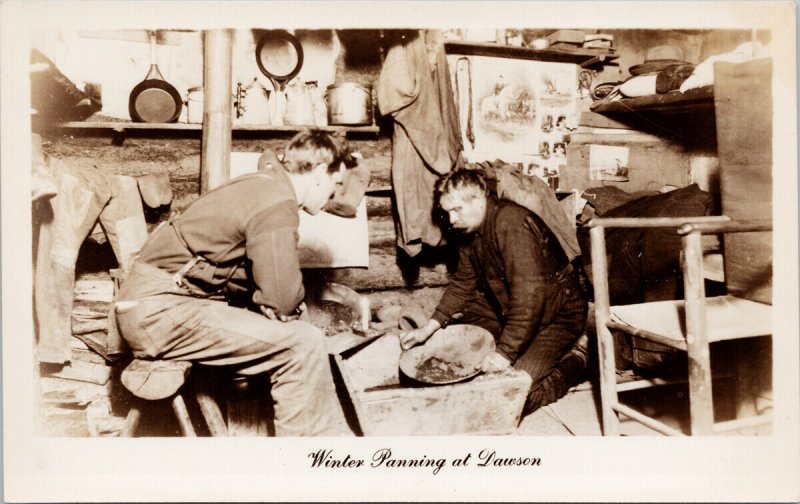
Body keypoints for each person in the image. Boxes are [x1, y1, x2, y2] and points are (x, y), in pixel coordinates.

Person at [114, 129, 352, 436]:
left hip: (155, 304)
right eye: (337, 183)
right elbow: (281, 298)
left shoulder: (261, 184)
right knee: (304, 343)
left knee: (292, 334)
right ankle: (304, 460)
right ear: (320, 172)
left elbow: (239, 274)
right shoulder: (277, 202)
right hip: (159, 311)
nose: (335, 193)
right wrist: (284, 308)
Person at [400, 168, 589, 415]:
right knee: (461, 361)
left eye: (457, 210)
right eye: (447, 212)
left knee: (511, 396)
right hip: (511, 306)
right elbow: (463, 284)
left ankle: (579, 361)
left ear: (479, 198)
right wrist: (430, 327)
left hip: (559, 315)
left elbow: (528, 299)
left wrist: (504, 354)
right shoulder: (468, 230)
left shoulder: (512, 224)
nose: (452, 219)